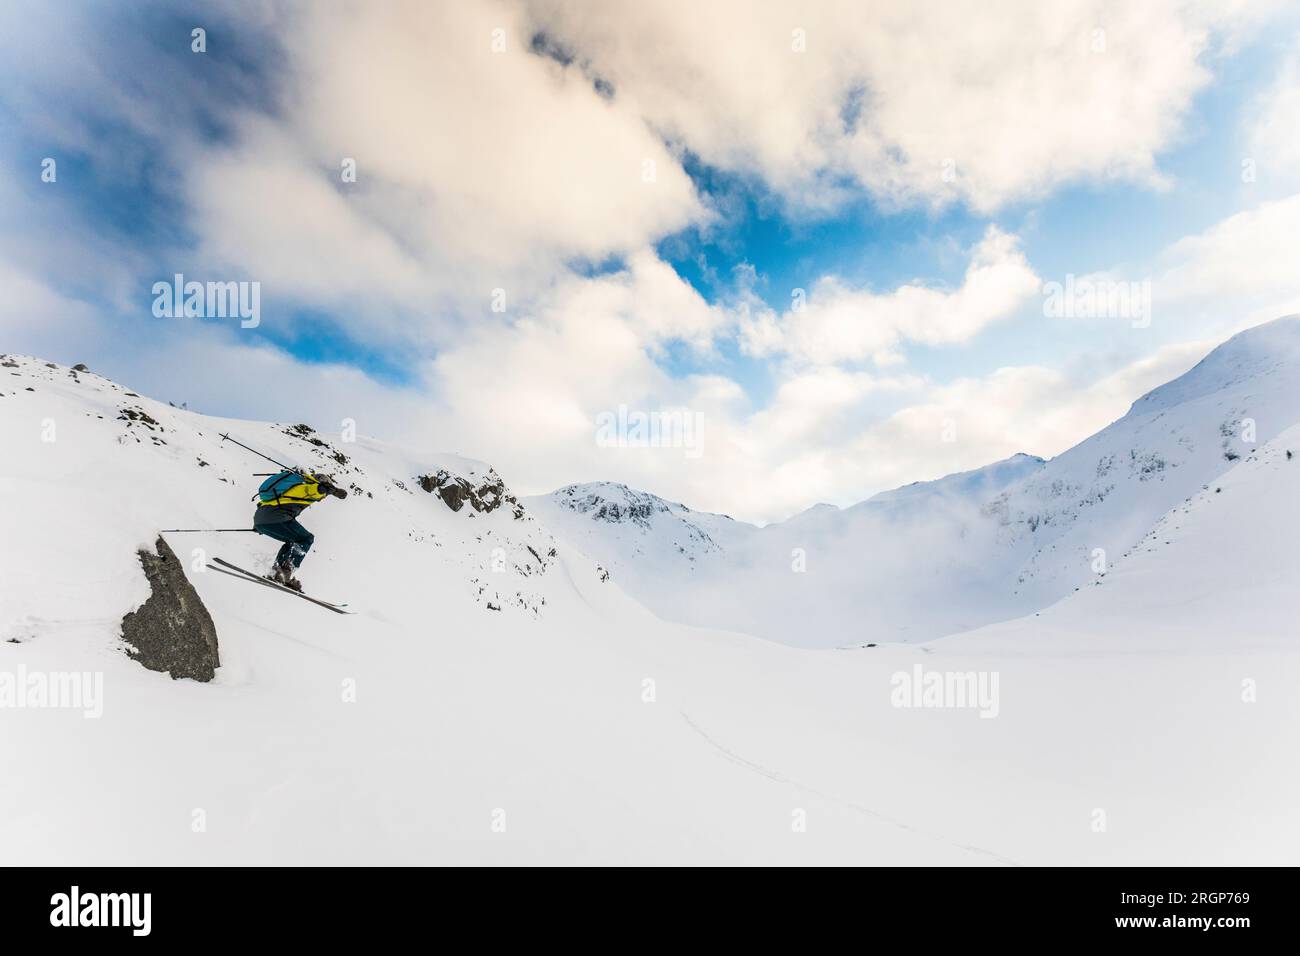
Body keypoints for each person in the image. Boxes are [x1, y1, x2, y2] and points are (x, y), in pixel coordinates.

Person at [253, 469, 347, 591]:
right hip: (275, 517)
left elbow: (268, 503)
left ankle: (277, 572)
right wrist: (326, 490)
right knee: (306, 539)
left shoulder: (292, 488)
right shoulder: (308, 487)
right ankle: (285, 572)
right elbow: (311, 490)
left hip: (262, 519)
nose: (323, 498)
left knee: (293, 541)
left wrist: (260, 525)